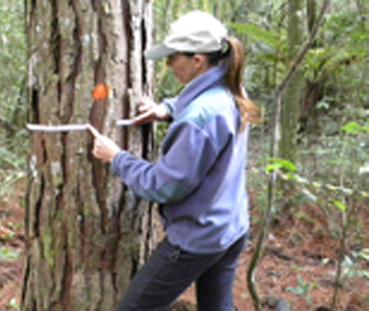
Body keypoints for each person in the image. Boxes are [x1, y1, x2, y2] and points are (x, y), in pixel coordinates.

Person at [87, 10, 260, 311]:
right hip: (231, 229)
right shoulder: (233, 90)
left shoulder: (198, 119)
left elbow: (165, 186)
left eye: (173, 57)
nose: (168, 64)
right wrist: (167, 109)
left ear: (197, 60)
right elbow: (204, 110)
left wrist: (117, 157)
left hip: (198, 239)